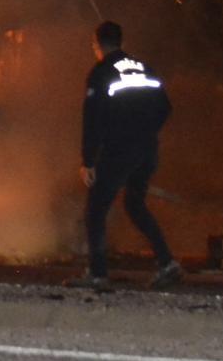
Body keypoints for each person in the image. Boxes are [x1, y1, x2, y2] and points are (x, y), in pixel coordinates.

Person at [77, 20, 180, 290]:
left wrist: (88, 161)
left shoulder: (100, 72)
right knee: (135, 204)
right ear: (123, 43)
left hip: (119, 151)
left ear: (96, 45)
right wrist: (145, 133)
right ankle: (167, 262)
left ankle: (98, 274)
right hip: (147, 150)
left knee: (96, 209)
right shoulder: (144, 68)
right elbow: (165, 108)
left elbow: (93, 120)